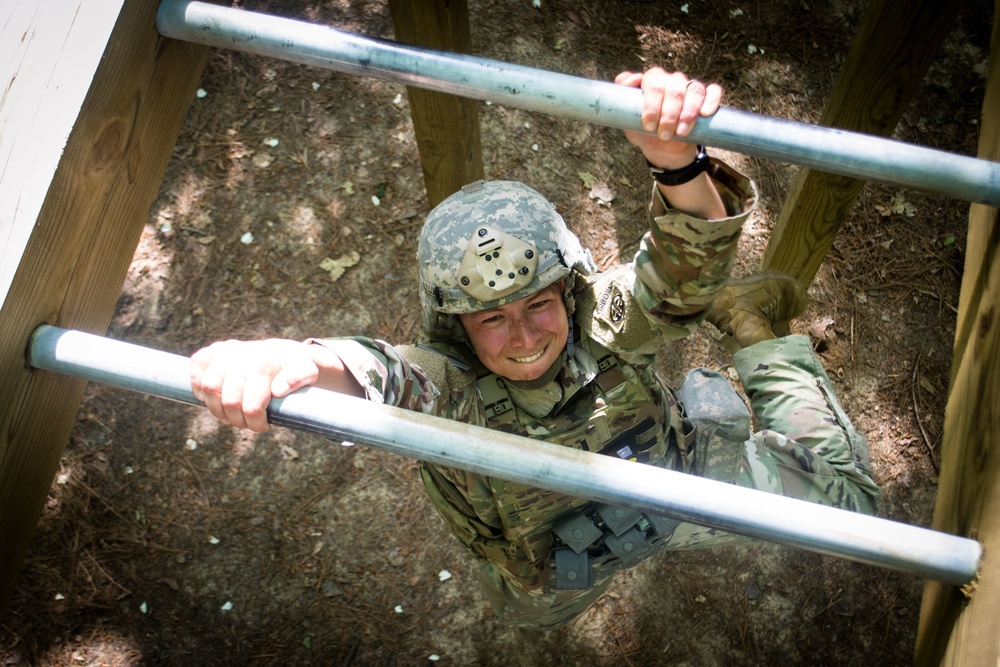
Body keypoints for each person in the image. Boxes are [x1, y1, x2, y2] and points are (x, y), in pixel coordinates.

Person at [190, 67, 880, 630]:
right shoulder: (451, 387)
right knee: (533, 612)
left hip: (678, 484)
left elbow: (674, 273)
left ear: (569, 294)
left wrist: (676, 164)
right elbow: (389, 374)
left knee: (850, 507)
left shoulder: (604, 322)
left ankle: (754, 327)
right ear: (455, 325)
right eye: (491, 318)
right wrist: (306, 363)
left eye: (539, 304)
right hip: (547, 563)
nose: (523, 338)